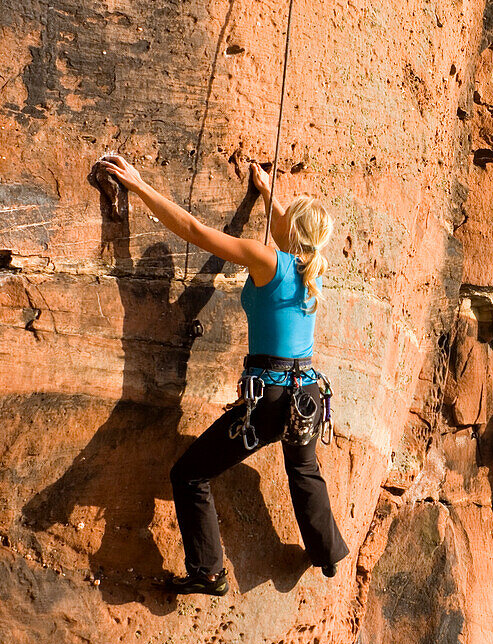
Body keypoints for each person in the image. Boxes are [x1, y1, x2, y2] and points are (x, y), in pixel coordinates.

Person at [95, 155, 350, 596]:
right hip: (306, 394)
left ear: (293, 232)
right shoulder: (314, 270)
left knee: (189, 474)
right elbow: (293, 223)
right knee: (304, 471)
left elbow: (196, 232)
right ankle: (327, 555)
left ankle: (209, 571)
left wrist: (137, 185)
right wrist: (267, 192)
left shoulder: (267, 259)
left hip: (268, 401)